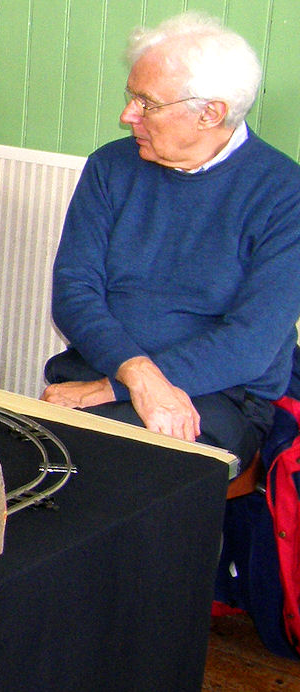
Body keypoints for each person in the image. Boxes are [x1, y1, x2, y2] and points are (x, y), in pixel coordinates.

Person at [41, 12, 300, 469]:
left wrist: (116, 388)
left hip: (217, 395)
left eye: (147, 103)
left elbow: (250, 344)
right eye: (132, 97)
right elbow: (74, 293)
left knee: (114, 471)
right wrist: (135, 374)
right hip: (99, 367)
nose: (127, 115)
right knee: (17, 459)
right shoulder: (110, 167)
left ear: (210, 113)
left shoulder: (284, 193)